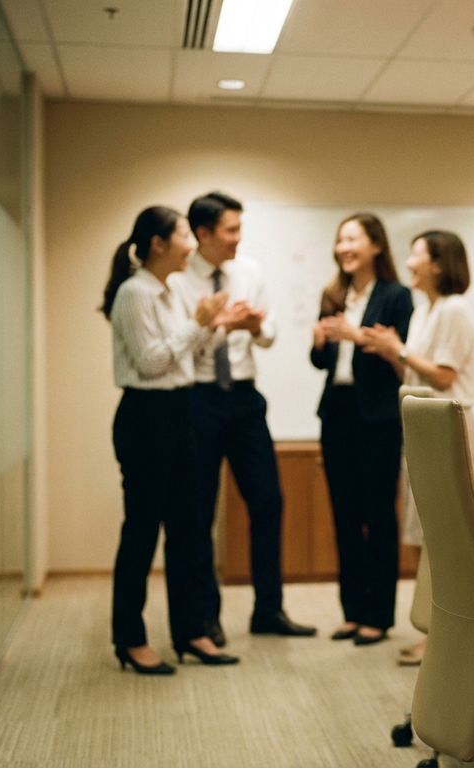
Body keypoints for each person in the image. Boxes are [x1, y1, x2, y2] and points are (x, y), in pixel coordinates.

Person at [168, 191, 316, 646]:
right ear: (203, 233)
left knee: (269, 501)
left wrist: (252, 326)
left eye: (240, 229)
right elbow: (178, 347)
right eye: (230, 230)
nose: (237, 239)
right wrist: (218, 326)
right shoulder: (177, 283)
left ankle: (268, 610)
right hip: (199, 398)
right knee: (199, 511)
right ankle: (205, 618)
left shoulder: (248, 271)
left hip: (246, 399)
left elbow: (268, 335)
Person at [100, 206, 240, 674]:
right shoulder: (134, 293)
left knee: (188, 527)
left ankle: (191, 631)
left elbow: (188, 352)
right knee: (142, 530)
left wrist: (217, 324)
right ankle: (130, 639)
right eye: (183, 234)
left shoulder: (170, 289)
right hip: (146, 417)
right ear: (158, 244)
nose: (191, 244)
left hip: (180, 412)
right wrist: (199, 324)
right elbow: (152, 362)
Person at [363, 230, 474, 666]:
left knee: (444, 536)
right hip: (424, 427)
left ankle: (441, 636)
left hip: (450, 425)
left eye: (416, 254)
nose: (407, 262)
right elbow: (415, 374)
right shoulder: (427, 310)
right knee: (425, 533)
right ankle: (432, 629)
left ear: (437, 263)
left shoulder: (454, 309)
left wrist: (399, 351)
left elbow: (444, 377)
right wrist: (392, 352)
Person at [310, 213, 413, 647]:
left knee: (378, 515)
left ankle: (378, 616)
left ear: (375, 245)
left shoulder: (396, 296)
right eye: (339, 240)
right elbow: (321, 363)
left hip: (379, 416)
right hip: (337, 411)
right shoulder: (333, 294)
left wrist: (355, 336)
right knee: (344, 514)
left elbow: (402, 357)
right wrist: (319, 341)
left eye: (352, 239)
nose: (343, 247)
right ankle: (352, 612)